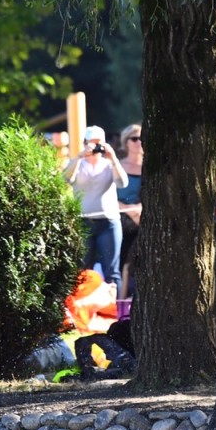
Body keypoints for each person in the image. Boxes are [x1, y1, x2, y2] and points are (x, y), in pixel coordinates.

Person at [64, 125, 129, 288]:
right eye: (91, 143)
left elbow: (122, 183)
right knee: (82, 271)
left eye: (99, 143)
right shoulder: (77, 164)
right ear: (84, 143)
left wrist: (113, 158)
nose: (95, 148)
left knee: (112, 272)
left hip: (108, 222)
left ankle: (116, 310)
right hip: (83, 222)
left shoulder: (109, 165)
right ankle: (82, 309)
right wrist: (79, 156)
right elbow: (65, 179)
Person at [116, 123, 143, 299]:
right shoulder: (117, 166)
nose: (139, 142)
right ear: (126, 142)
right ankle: (119, 302)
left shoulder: (150, 167)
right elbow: (109, 194)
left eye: (142, 138)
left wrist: (138, 211)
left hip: (142, 217)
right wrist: (129, 210)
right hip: (120, 216)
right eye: (135, 138)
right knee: (121, 263)